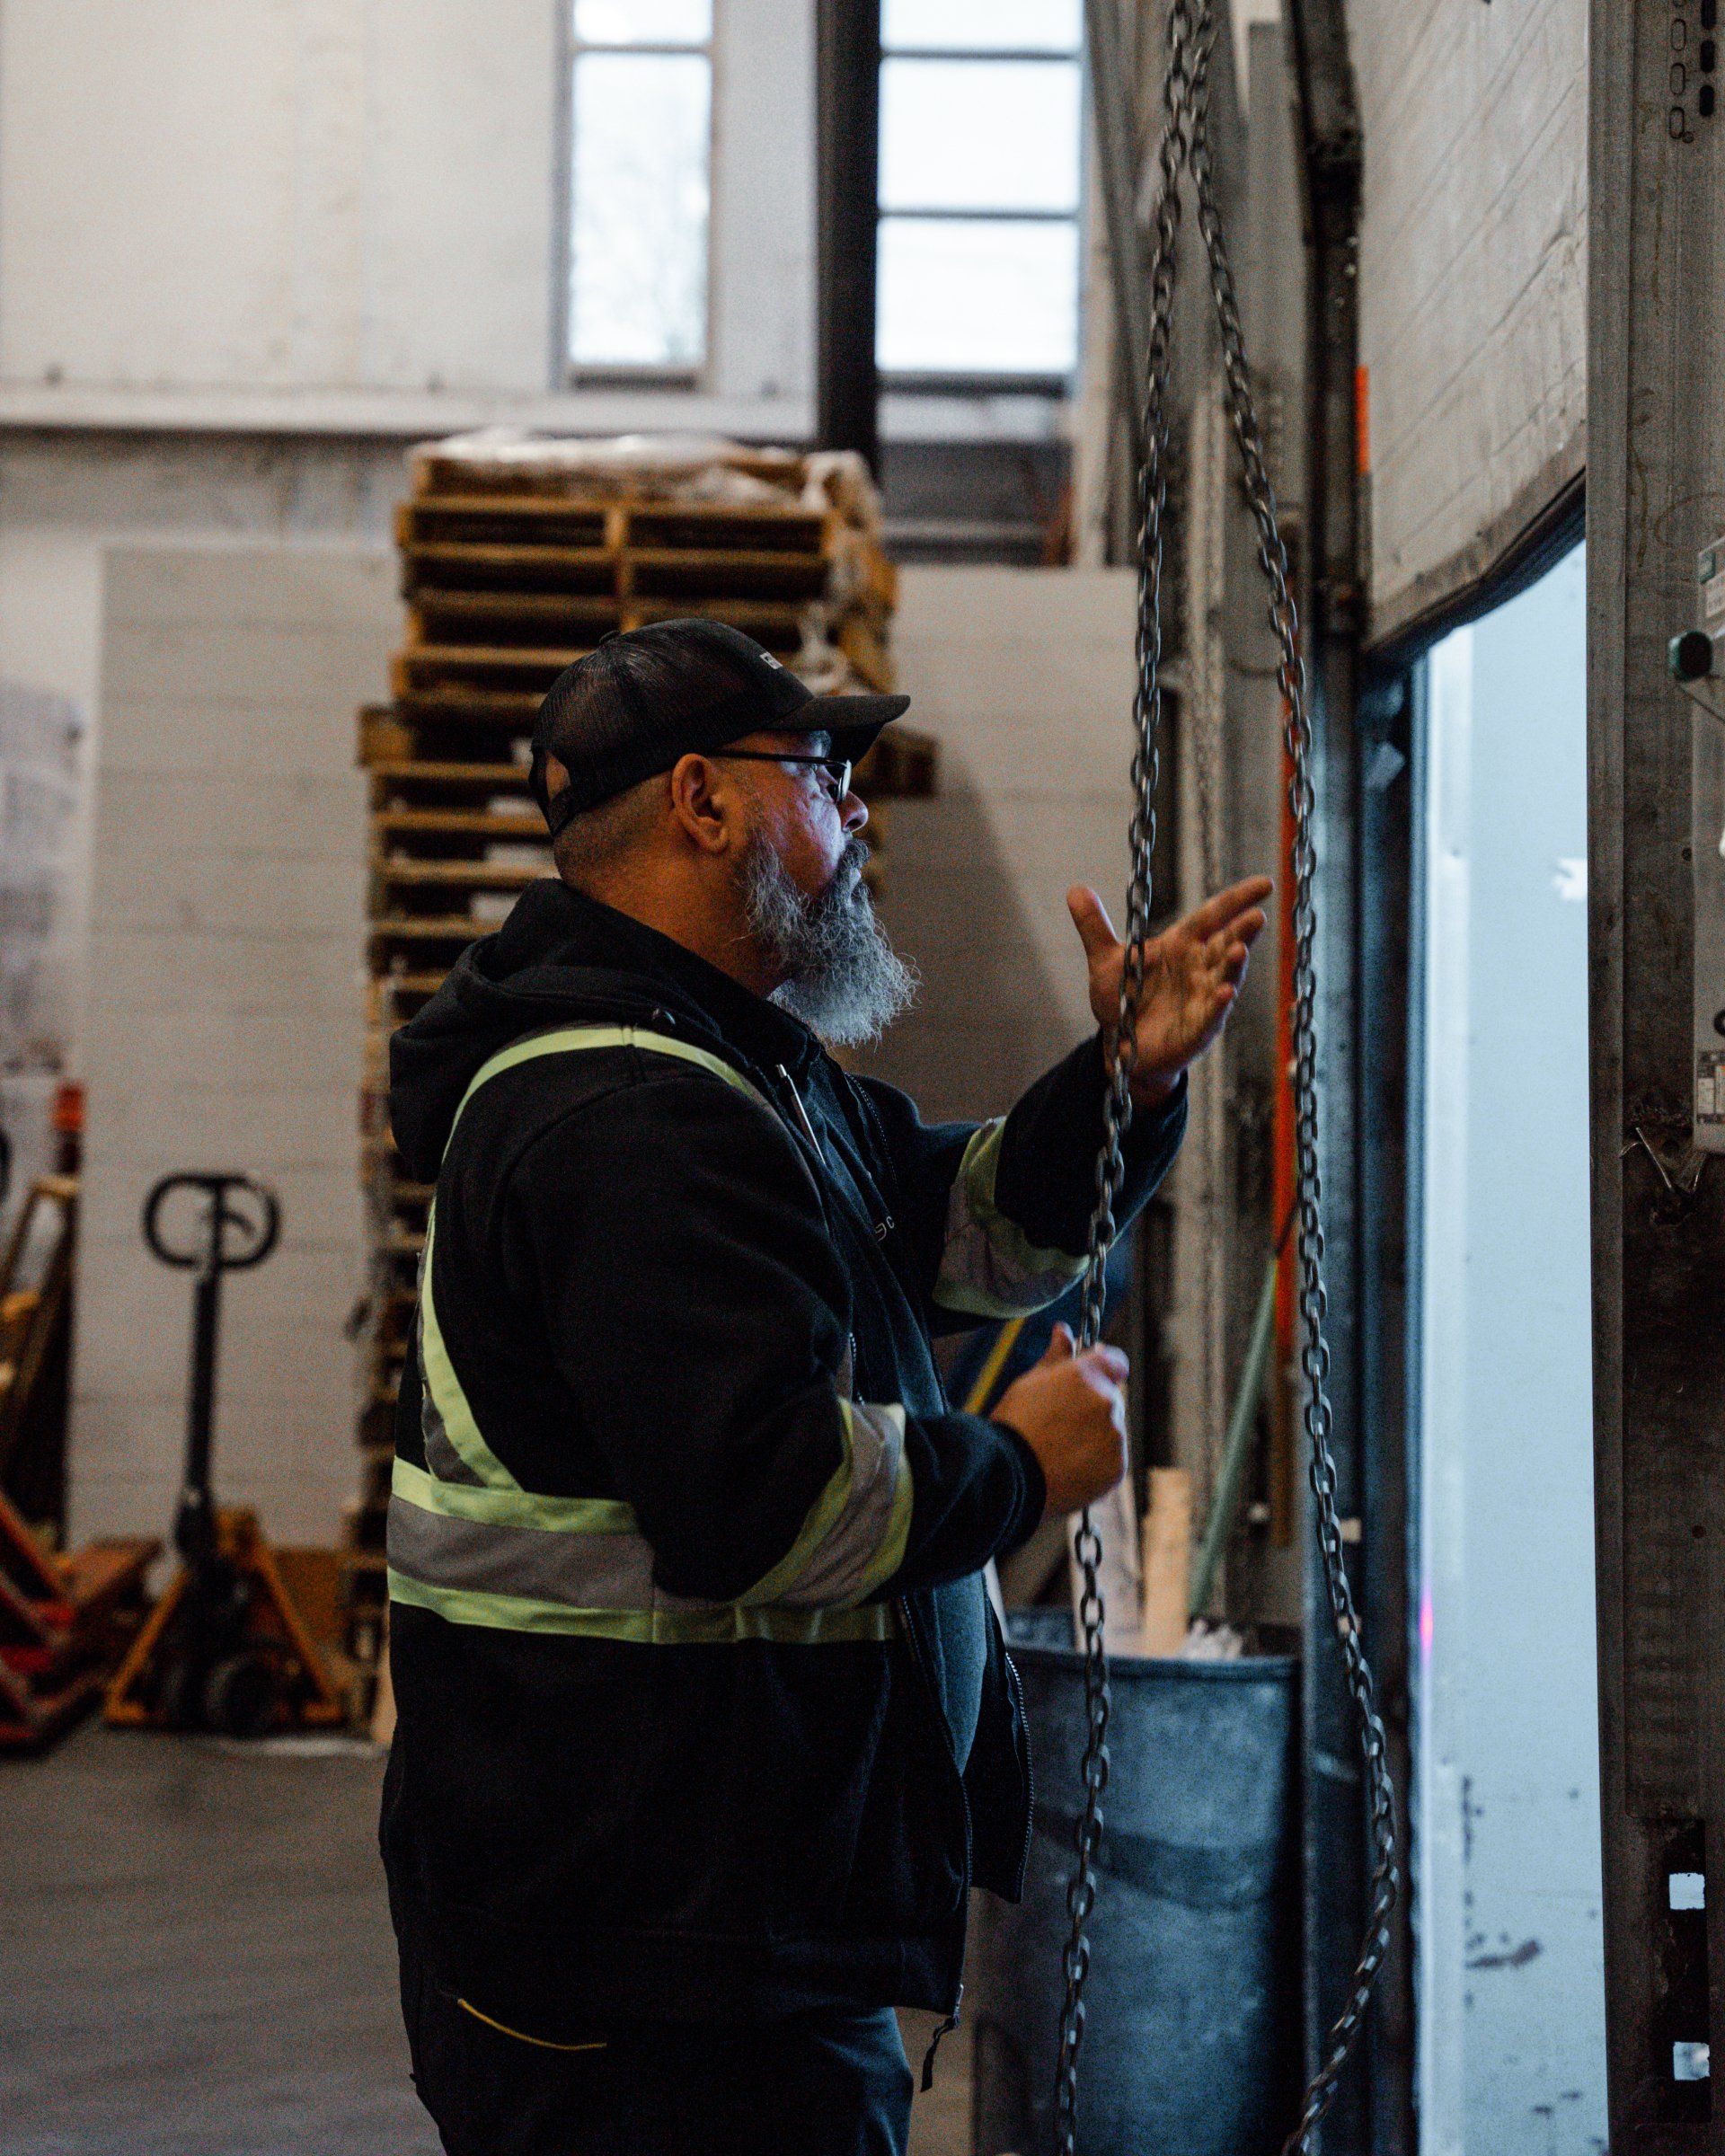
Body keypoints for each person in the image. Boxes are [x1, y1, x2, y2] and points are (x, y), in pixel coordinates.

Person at [380, 618, 1270, 2156]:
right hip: (647, 1960)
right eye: (819, 769)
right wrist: (1016, 1466)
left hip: (702, 1908)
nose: (856, 808)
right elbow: (766, 1501)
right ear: (702, 801)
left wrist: (1125, 1080)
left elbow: (965, 1229)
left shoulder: (739, 1069)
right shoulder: (625, 1113)